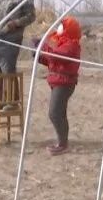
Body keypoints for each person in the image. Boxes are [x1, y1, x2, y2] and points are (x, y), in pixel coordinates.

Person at [35, 16, 81, 156]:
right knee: (60, 113)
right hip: (58, 81)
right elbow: (53, 62)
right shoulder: (63, 43)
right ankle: (63, 142)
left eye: (62, 26)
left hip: (64, 83)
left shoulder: (71, 45)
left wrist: (42, 46)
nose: (59, 28)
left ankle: (62, 144)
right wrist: (39, 55)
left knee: (55, 113)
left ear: (69, 29)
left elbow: (56, 56)